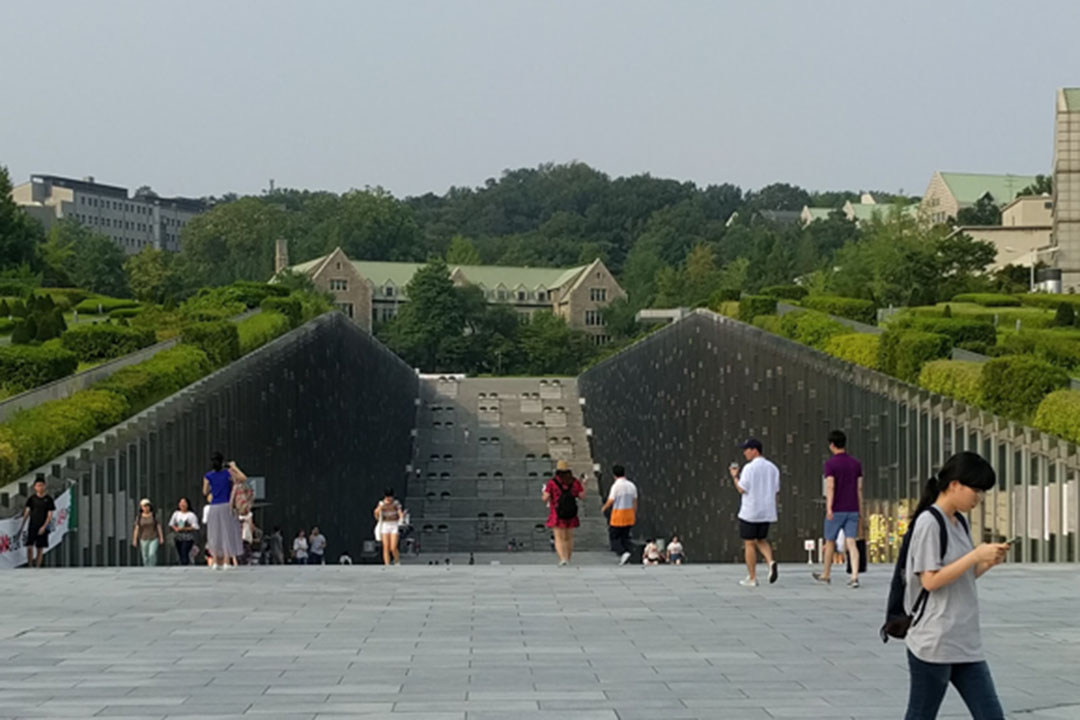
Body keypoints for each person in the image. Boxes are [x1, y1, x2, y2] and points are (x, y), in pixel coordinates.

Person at [903, 452, 1008, 720]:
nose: (978, 498)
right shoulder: (929, 522)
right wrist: (974, 556)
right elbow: (930, 580)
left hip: (964, 640)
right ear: (955, 485)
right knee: (921, 715)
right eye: (976, 490)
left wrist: (987, 562)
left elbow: (962, 576)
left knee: (991, 715)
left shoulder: (959, 521)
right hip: (935, 641)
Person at [813, 430, 864, 588]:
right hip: (853, 508)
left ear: (832, 445)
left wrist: (829, 507)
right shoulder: (856, 464)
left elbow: (830, 486)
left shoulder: (830, 464)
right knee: (851, 542)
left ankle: (826, 574)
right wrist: (860, 509)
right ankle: (854, 576)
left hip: (836, 509)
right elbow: (859, 488)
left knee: (830, 542)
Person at [729, 438, 780, 587]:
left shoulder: (749, 468)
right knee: (761, 539)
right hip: (767, 511)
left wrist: (734, 476)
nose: (744, 453)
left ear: (754, 450)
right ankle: (771, 562)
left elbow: (742, 489)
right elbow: (776, 489)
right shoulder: (773, 468)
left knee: (749, 543)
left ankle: (752, 577)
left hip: (750, 511)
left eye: (746, 450)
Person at [202, 451, 245, 569]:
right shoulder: (228, 473)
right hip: (226, 505)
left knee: (215, 534)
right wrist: (234, 467)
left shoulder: (208, 476)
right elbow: (243, 478)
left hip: (213, 506)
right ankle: (226, 561)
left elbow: (205, 491)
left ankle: (215, 561)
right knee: (227, 532)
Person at [542, 459, 586, 566]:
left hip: (557, 513)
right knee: (569, 537)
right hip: (570, 512)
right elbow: (581, 496)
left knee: (559, 537)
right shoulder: (574, 482)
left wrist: (545, 493)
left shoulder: (552, 482)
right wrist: (584, 485)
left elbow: (545, 498)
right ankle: (568, 558)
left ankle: (562, 559)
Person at [601, 464, 637, 565]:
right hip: (629, 514)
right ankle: (627, 555)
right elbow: (635, 501)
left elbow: (611, 500)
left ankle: (623, 553)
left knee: (614, 537)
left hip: (618, 515)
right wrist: (634, 513)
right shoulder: (631, 485)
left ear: (614, 475)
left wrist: (604, 508)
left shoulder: (616, 486)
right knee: (625, 536)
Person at [19, 478, 55, 568]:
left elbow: (50, 515)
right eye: (38, 486)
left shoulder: (48, 499)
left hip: (42, 525)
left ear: (45, 486)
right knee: (29, 546)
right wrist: (22, 524)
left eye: (42, 485)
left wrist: (44, 527)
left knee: (40, 548)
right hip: (32, 525)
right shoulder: (32, 499)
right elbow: (27, 512)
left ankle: (38, 566)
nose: (40, 487)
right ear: (35, 487)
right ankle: (30, 565)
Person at [374, 488, 404, 565]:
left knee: (393, 547)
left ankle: (397, 561)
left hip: (394, 524)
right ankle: (387, 564)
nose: (389, 499)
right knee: (386, 547)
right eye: (387, 497)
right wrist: (380, 508)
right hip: (385, 525)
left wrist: (401, 520)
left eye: (390, 497)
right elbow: (376, 514)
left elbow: (400, 513)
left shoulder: (396, 503)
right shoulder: (381, 503)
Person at [131, 499, 165, 566]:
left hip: (154, 537)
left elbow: (158, 527)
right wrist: (134, 539)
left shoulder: (154, 516)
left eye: (147, 506)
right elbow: (136, 528)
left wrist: (161, 537)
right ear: (141, 507)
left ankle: (152, 566)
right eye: (144, 506)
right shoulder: (139, 517)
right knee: (145, 555)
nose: (146, 508)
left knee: (151, 554)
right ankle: (146, 567)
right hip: (143, 538)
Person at [169, 497, 199, 566]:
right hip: (178, 537)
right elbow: (171, 524)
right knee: (180, 553)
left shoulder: (191, 515)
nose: (182, 504)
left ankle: (185, 566)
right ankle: (182, 564)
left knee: (184, 552)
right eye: (181, 502)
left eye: (184, 502)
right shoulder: (176, 514)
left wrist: (185, 528)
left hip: (188, 537)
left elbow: (195, 527)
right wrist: (175, 528)